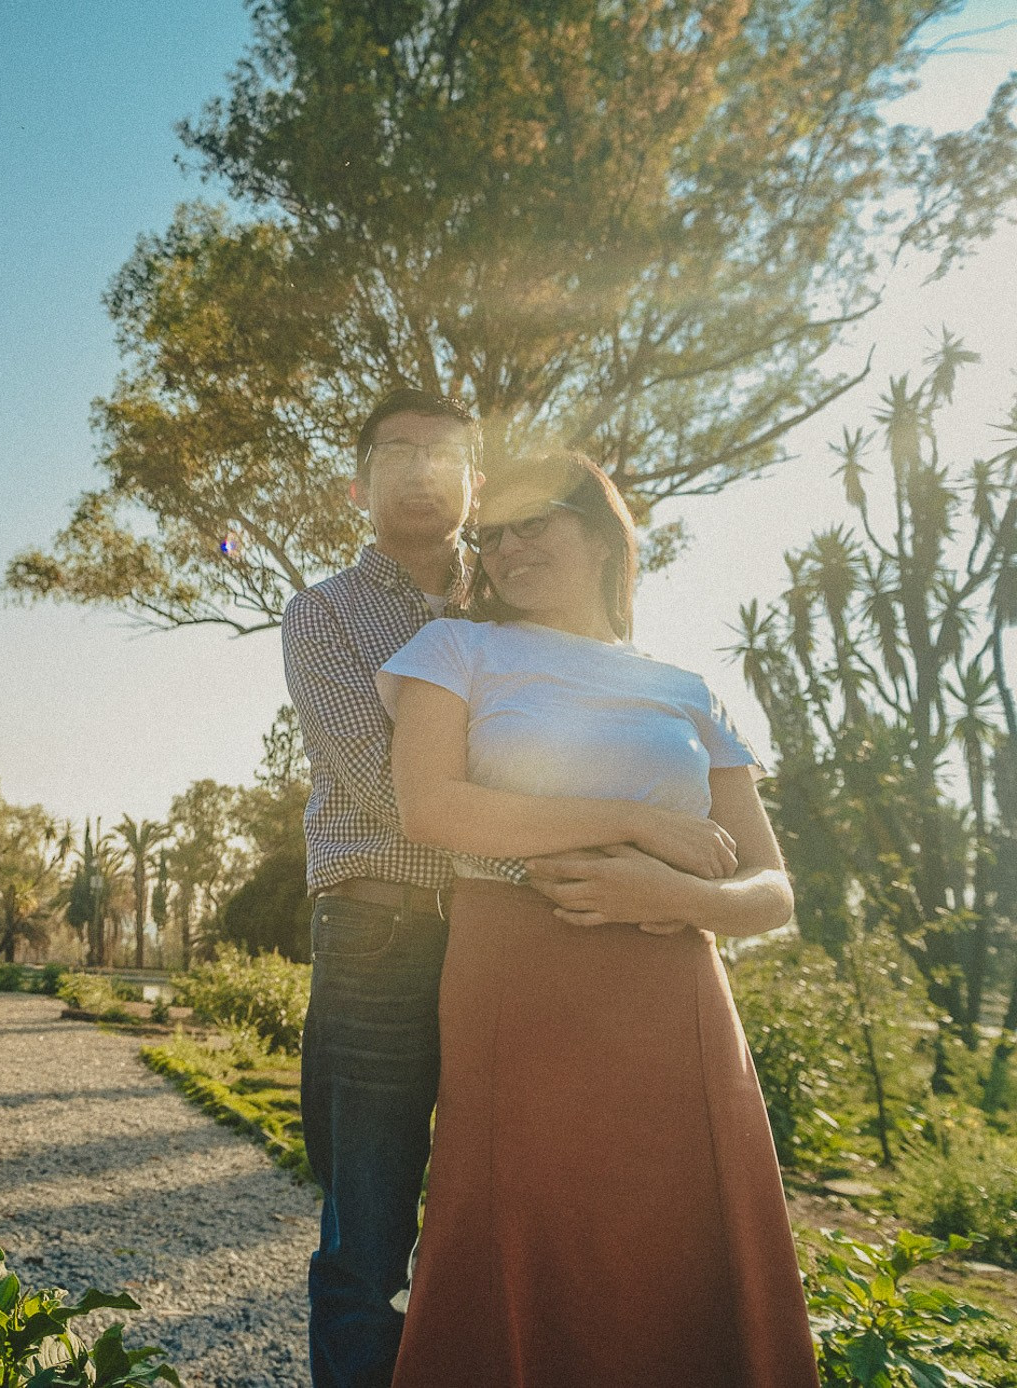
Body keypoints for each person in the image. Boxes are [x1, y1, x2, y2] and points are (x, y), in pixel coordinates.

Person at [377, 451, 818, 1387]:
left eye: (534, 523)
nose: (507, 547)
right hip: (519, 976)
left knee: (684, 1243)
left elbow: (774, 888)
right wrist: (635, 822)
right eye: (492, 534)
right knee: (514, 1231)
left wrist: (683, 898)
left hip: (677, 995)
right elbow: (433, 808)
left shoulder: (686, 688)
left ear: (604, 537)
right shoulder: (455, 649)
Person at [282, 386, 513, 1388]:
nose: (417, 469)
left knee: (506, 1220)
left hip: (508, 944)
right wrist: (561, 852)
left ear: (475, 481)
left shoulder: (522, 604)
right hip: (377, 938)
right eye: (394, 451)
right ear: (357, 481)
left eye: (441, 453)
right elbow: (394, 794)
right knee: (367, 1237)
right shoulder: (320, 613)